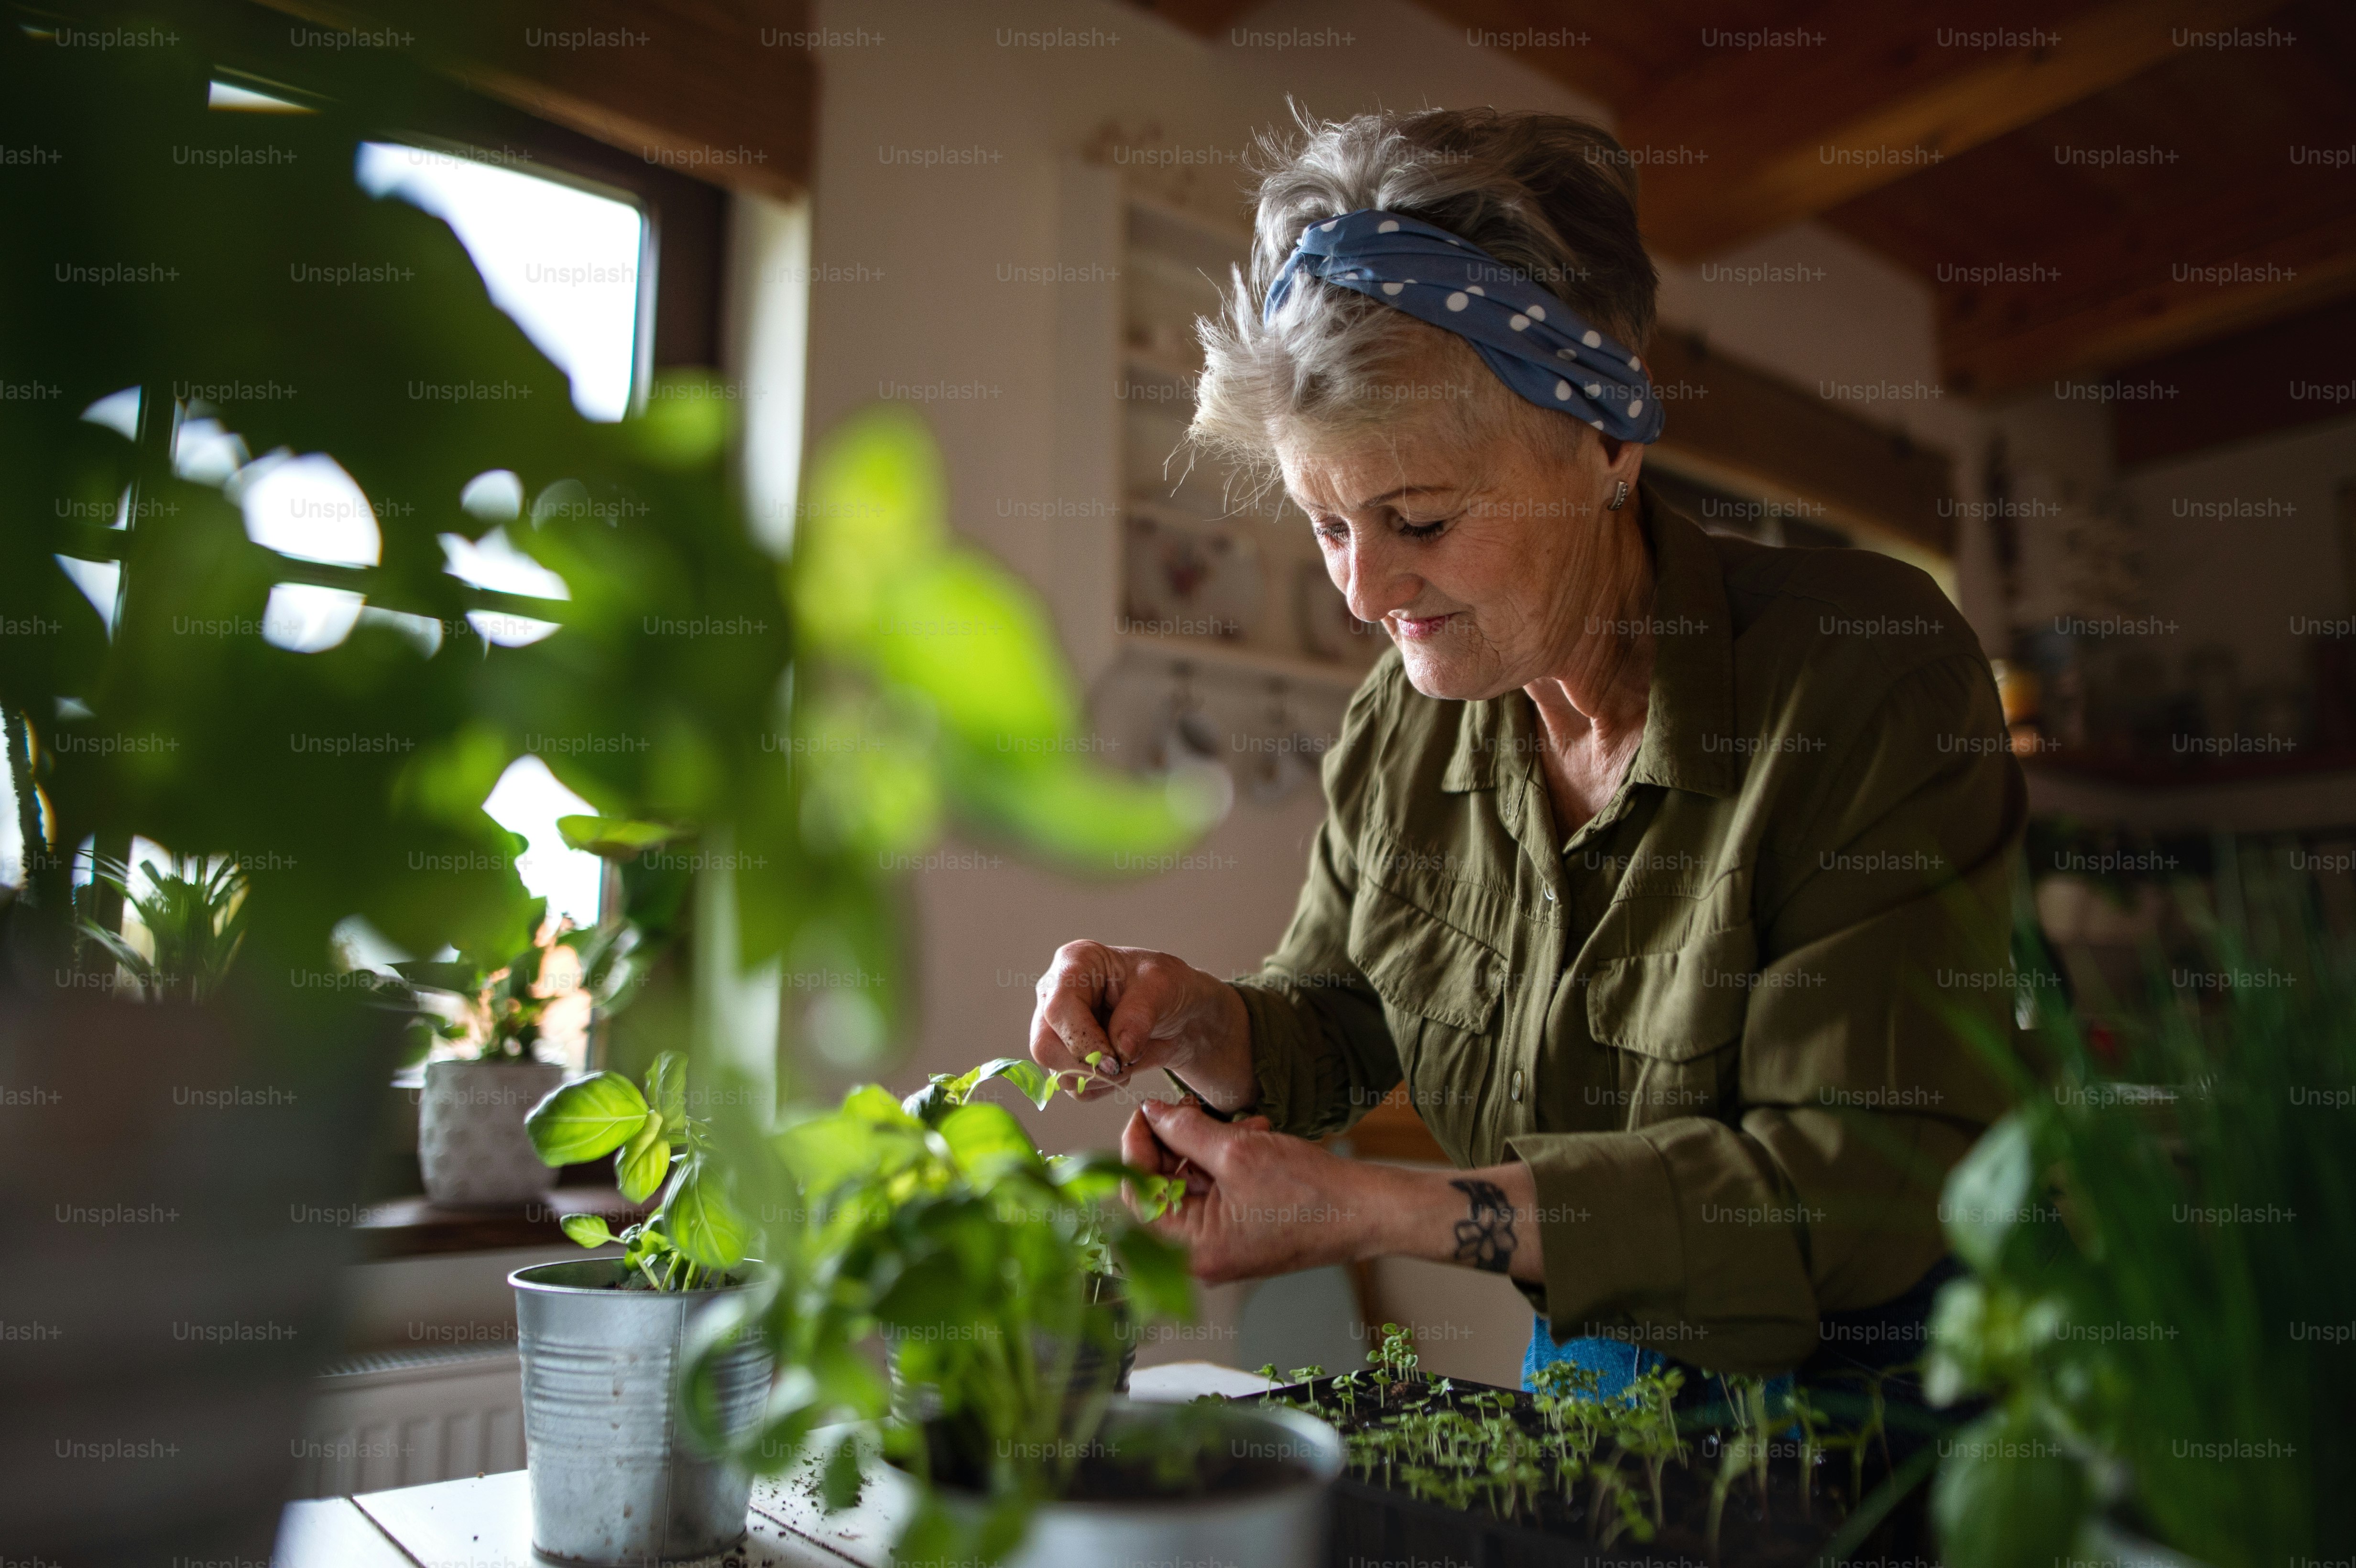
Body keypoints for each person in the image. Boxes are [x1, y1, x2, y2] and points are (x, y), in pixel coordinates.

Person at [1028, 107, 2021, 1404]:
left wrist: (1382, 1208)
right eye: (1329, 525)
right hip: (1586, 1382)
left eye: (1421, 517)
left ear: (1608, 443)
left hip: (1870, 1426)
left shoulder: (1870, 673)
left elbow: (1857, 1186)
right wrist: (1203, 1021)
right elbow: (1341, 1024)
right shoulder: (1403, 723)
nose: (1367, 590)